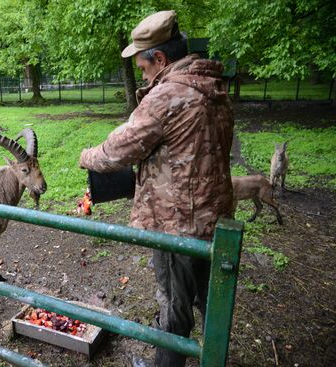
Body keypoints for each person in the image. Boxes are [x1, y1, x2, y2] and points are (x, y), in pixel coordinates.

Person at [79, 10, 234, 367]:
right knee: (212, 303)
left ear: (160, 58)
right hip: (215, 219)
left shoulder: (168, 96)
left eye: (143, 66)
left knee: (174, 307)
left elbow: (116, 151)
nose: (142, 73)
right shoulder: (214, 88)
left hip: (175, 221)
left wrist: (86, 156)